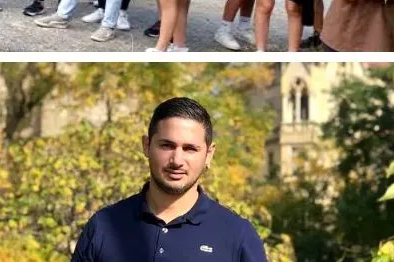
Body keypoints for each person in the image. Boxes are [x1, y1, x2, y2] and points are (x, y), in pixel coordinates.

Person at [71, 97, 268, 262]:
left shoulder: (237, 235)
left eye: (190, 148)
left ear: (209, 154)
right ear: (146, 146)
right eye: (167, 146)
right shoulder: (104, 225)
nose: (177, 160)